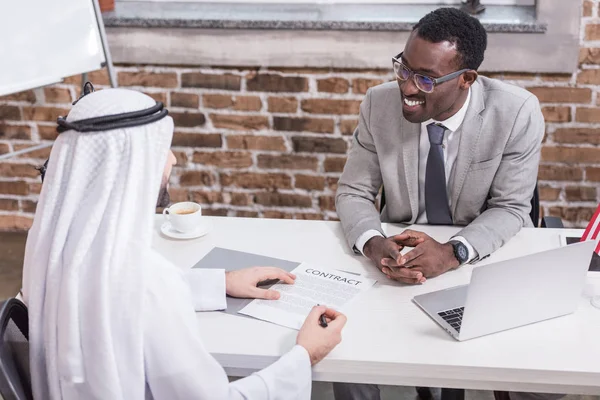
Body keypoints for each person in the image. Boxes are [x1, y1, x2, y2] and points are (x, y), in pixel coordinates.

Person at [21, 87, 346, 400]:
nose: (173, 160)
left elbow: (114, 293)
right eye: (163, 148)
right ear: (131, 162)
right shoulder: (149, 281)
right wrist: (304, 356)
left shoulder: (51, 251)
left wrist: (221, 282)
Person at [334, 7, 551, 400]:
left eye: (426, 79)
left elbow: (512, 208)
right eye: (403, 68)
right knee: (345, 353)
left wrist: (453, 253)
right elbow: (353, 191)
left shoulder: (516, 111)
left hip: (482, 260)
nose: (407, 87)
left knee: (538, 380)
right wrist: (373, 244)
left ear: (467, 79)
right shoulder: (379, 104)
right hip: (397, 264)